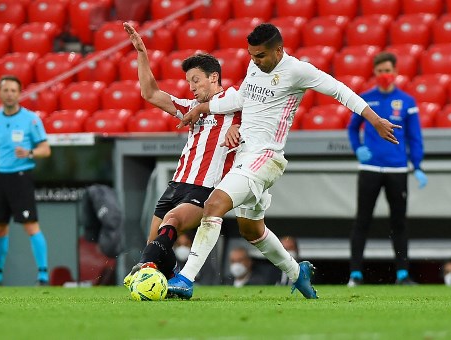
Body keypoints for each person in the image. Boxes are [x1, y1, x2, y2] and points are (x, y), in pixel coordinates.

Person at [168, 23, 400, 300]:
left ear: (278, 50)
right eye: (252, 55)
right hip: (244, 155)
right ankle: (296, 272)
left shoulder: (297, 71)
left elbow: (340, 91)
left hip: (266, 157)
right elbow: (243, 98)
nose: (255, 61)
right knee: (251, 230)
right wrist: (203, 108)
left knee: (214, 204)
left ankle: (186, 278)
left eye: (261, 56)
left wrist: (374, 120)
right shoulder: (255, 66)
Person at [121, 22, 241, 286]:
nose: (191, 87)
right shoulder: (190, 106)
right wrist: (142, 53)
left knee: (169, 225)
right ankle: (169, 279)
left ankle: (141, 269)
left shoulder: (235, 100)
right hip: (176, 184)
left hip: (205, 187)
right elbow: (149, 93)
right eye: (188, 82)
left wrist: (237, 125)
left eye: (195, 80)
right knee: (156, 247)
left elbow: (255, 112)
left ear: (214, 77)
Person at [347, 52, 427, 287]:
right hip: (370, 168)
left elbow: (415, 136)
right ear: (375, 72)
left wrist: (418, 165)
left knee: (399, 222)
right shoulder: (364, 100)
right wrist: (358, 148)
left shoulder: (407, 102)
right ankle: (355, 275)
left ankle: (402, 275)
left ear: (396, 72)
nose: (385, 75)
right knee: (362, 220)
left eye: (388, 70)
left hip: (397, 170)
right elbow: (352, 129)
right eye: (380, 71)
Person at [0, 75, 51, 286]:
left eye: (13, 90)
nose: (9, 94)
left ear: (19, 94)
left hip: (21, 178)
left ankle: (43, 275)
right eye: (5, 90)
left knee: (30, 225)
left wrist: (29, 153)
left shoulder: (31, 119)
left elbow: (46, 149)